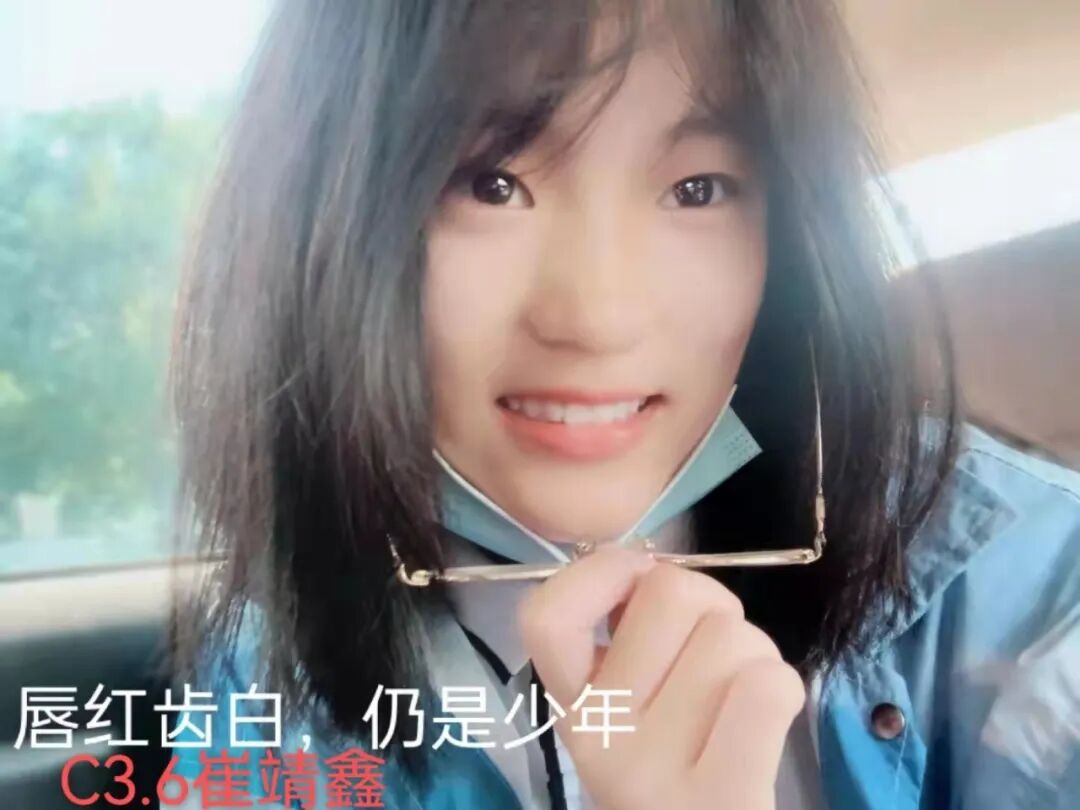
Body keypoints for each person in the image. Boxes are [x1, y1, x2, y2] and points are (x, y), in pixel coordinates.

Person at [167, 1, 1080, 808]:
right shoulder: (262, 676)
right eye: (490, 184)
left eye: (697, 190)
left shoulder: (1033, 597)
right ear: (323, 227)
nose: (597, 319)